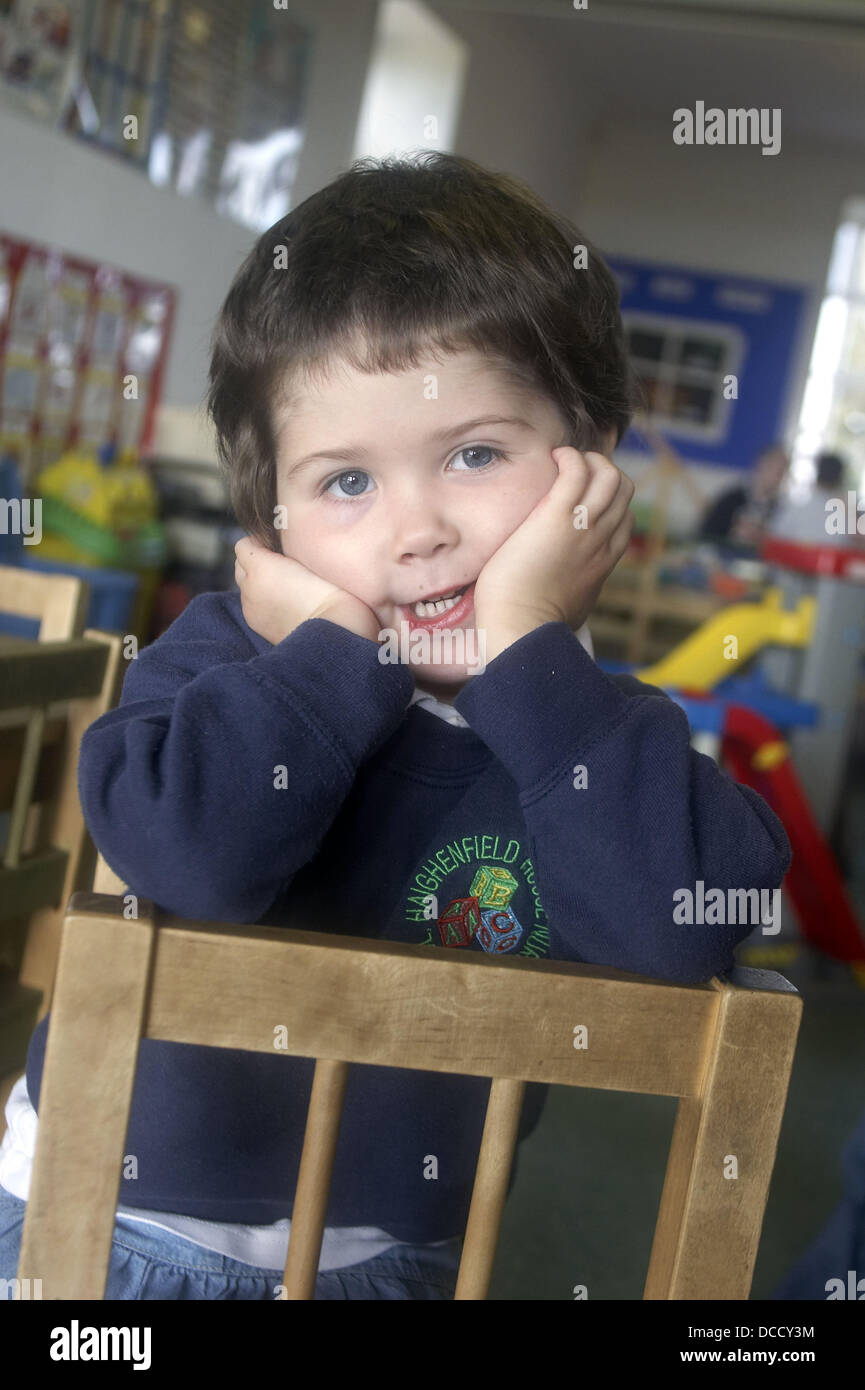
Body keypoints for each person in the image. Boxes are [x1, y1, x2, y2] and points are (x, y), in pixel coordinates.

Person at [0, 152, 792, 1300]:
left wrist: (525, 657)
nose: (417, 531)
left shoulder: (593, 734)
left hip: (400, 1270)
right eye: (345, 484)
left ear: (592, 469)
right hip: (106, 1228)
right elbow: (188, 859)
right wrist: (334, 647)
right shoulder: (234, 660)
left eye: (475, 454)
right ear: (269, 514)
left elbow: (684, 929)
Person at [699, 444, 790, 547]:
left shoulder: (779, 510)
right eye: (777, 471)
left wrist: (763, 538)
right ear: (762, 465)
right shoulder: (732, 498)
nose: (778, 478)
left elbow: (780, 544)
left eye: (782, 473)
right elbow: (706, 534)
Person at [769, 450, 862, 547]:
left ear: (817, 472)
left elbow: (775, 536)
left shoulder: (796, 503)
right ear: (840, 479)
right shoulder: (846, 512)